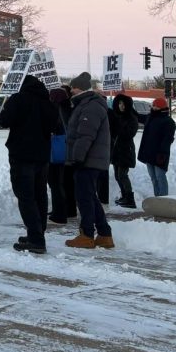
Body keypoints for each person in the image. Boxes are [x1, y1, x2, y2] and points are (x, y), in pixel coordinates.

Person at [0, 75, 56, 254]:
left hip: (21, 155)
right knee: (40, 195)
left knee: (26, 197)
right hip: (42, 156)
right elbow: (55, 125)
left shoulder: (18, 99)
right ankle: (37, 233)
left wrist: (0, 115)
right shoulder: (48, 102)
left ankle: (36, 239)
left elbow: (4, 120)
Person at [65, 72, 114, 249]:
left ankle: (87, 234)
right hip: (90, 159)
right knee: (90, 197)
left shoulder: (90, 106)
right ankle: (104, 233)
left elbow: (85, 135)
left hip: (87, 160)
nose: (71, 90)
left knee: (84, 198)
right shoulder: (87, 104)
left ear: (80, 88)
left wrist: (77, 157)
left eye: (73, 87)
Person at [47, 87, 77, 224]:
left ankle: (59, 213)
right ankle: (69, 210)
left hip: (58, 152)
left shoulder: (57, 110)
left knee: (56, 182)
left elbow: (55, 128)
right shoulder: (71, 108)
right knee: (67, 182)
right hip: (69, 151)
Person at [138, 97, 175, 197]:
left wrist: (162, 153)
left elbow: (167, 139)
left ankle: (163, 198)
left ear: (160, 107)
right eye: (153, 105)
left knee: (160, 177)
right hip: (149, 154)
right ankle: (157, 198)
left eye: (155, 106)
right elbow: (139, 117)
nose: (153, 107)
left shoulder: (168, 121)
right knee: (153, 178)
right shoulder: (151, 118)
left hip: (160, 155)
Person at [108, 94, 139, 208]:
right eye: (119, 103)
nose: (121, 106)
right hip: (117, 150)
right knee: (117, 175)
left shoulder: (131, 117)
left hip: (126, 150)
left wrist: (117, 128)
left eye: (123, 104)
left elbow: (129, 133)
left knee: (122, 175)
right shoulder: (117, 117)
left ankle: (130, 199)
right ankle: (124, 196)